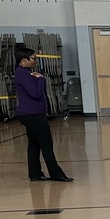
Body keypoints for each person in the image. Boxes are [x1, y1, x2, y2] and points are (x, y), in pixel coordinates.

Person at [13, 45, 72, 182]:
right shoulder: (22, 73)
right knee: (46, 143)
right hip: (32, 114)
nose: (36, 61)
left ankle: (35, 173)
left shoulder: (26, 73)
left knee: (34, 144)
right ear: (24, 60)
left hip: (32, 113)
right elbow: (35, 93)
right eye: (33, 58)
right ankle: (56, 174)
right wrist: (41, 79)